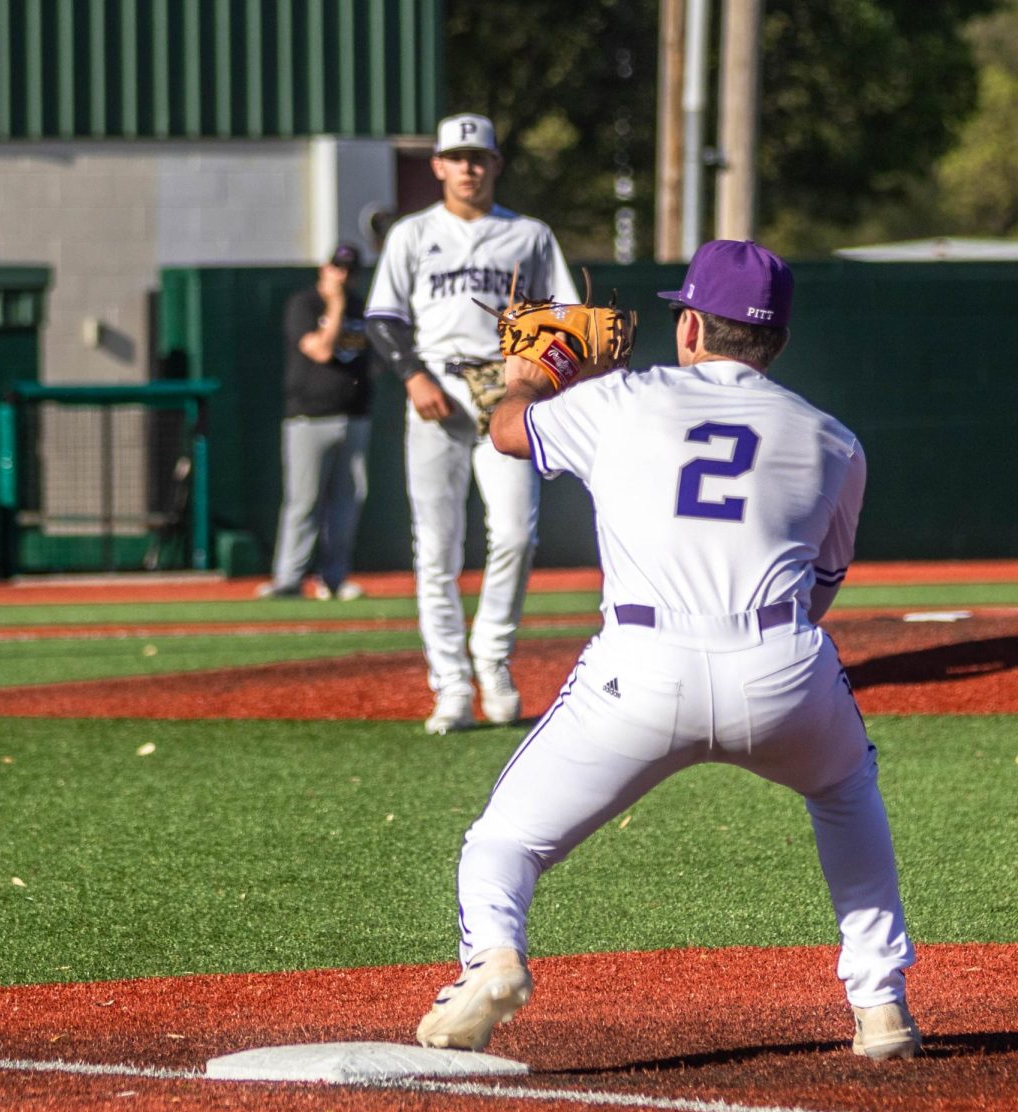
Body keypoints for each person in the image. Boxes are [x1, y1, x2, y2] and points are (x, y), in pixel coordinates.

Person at [415, 239, 920, 1062]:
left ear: (689, 328)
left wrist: (534, 371)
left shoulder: (620, 398)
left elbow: (506, 430)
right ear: (778, 342)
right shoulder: (835, 441)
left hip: (641, 669)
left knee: (504, 841)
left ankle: (494, 960)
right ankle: (881, 1002)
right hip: (779, 661)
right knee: (844, 789)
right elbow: (822, 587)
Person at [366, 113, 580, 734]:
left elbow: (564, 315)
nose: (467, 167)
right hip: (435, 386)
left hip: (504, 391)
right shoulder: (412, 234)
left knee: (515, 533)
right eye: (456, 158)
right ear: (437, 165)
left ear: (495, 165)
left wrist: (535, 325)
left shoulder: (530, 235)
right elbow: (383, 317)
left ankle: (491, 656)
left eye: (478, 157)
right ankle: (451, 684)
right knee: (436, 547)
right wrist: (412, 376)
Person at [257, 243, 372, 602]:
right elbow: (321, 350)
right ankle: (288, 579)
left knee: (347, 503)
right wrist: (335, 305)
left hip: (352, 417)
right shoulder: (304, 305)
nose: (342, 276)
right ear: (324, 268)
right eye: (337, 268)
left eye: (349, 270)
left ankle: (334, 580)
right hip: (309, 418)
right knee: (303, 501)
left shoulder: (362, 307)